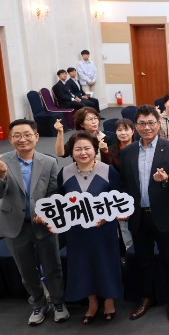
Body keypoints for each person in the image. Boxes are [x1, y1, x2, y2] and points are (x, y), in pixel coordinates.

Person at [0, 119, 70, 325]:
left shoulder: (49, 162)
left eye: (27, 134)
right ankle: (38, 303)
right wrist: (1, 174)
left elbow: (53, 192)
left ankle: (58, 302)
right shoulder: (2, 160)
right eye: (17, 135)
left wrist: (47, 213)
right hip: (15, 225)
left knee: (52, 266)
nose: (22, 139)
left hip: (43, 223)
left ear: (36, 137)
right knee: (26, 270)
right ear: (9, 139)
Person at [119, 105, 169, 321]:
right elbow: (124, 184)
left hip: (164, 215)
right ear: (135, 126)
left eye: (151, 123)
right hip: (139, 216)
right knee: (143, 260)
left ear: (159, 124)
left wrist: (166, 180)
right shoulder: (127, 152)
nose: (147, 127)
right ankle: (146, 297)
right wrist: (123, 208)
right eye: (142, 123)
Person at [58, 131, 122, 324]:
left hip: (103, 230)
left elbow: (118, 200)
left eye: (87, 148)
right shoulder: (65, 172)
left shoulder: (107, 170)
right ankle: (92, 302)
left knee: (105, 263)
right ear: (72, 152)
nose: (83, 152)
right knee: (83, 265)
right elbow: (60, 201)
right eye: (78, 149)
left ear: (95, 150)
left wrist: (108, 216)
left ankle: (109, 300)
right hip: (76, 232)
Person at [102, 118, 135, 250]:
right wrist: (104, 153)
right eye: (119, 130)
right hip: (120, 192)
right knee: (124, 226)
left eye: (126, 129)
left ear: (133, 131)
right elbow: (108, 172)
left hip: (139, 191)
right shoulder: (110, 150)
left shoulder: (140, 147)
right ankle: (129, 251)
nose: (123, 133)